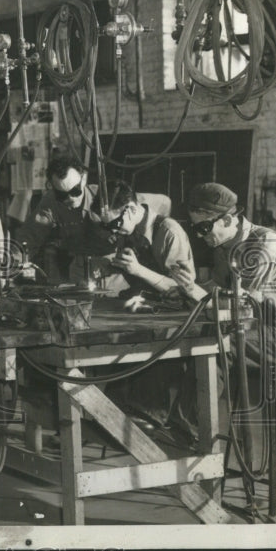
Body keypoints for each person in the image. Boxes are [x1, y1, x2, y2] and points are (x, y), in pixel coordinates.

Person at [93, 182, 202, 442]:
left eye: (113, 224)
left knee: (148, 350)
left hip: (178, 319)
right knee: (113, 349)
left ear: (130, 209)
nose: (113, 230)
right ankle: (116, 414)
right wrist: (112, 266)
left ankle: (149, 416)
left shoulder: (168, 231)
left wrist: (138, 270)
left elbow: (183, 289)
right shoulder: (127, 229)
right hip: (147, 312)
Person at [186, 182, 276, 367]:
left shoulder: (263, 247)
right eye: (195, 229)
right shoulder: (222, 245)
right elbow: (217, 289)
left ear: (226, 220)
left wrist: (192, 290)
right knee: (196, 338)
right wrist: (180, 287)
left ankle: (203, 397)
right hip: (263, 326)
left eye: (203, 228)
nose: (199, 236)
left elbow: (242, 308)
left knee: (216, 344)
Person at [15, 152, 171, 284]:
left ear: (83, 179)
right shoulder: (50, 202)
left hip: (114, 271)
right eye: (62, 195)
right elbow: (29, 238)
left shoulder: (105, 197)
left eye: (75, 191)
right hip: (77, 270)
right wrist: (13, 265)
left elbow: (154, 205)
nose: (70, 199)